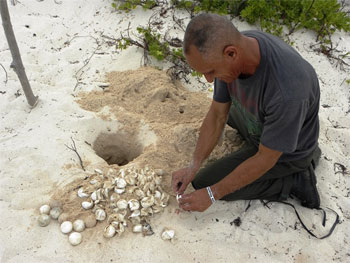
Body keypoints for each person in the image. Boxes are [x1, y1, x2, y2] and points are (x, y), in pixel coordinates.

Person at [172, 13, 321, 212]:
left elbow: (265, 158)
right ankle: (284, 144)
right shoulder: (236, 47)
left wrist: (212, 193)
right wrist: (193, 164)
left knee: (205, 182)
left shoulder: (288, 91)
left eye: (210, 71)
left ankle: (294, 180)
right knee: (227, 112)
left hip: (288, 152)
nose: (208, 80)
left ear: (231, 53)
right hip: (268, 121)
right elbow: (217, 114)